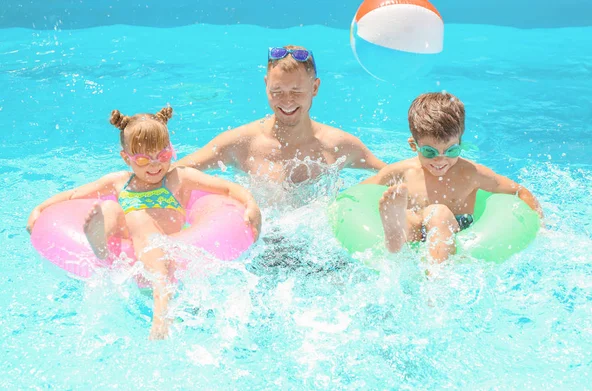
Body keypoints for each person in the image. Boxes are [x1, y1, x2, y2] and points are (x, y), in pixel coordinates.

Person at [26, 107, 262, 340]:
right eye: (142, 159)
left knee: (138, 218)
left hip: (164, 252)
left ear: (171, 150)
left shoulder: (178, 179)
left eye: (162, 155)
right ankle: (100, 246)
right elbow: (73, 195)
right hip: (128, 250)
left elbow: (228, 188)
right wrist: (39, 209)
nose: (154, 165)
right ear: (125, 157)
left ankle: (161, 312)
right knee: (110, 208)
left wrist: (251, 203)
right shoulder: (119, 182)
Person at [362, 92, 543, 263]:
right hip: (417, 230)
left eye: (451, 150)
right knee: (410, 217)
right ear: (413, 145)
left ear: (460, 144)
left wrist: (542, 226)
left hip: (455, 227)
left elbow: (519, 191)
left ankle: (430, 272)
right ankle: (396, 231)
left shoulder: (471, 173)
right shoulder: (402, 172)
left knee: (437, 213)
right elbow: (361, 192)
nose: (441, 160)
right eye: (429, 151)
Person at [176, 45, 385, 188]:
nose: (286, 101)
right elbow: (174, 171)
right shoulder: (240, 143)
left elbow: (394, 174)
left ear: (315, 88)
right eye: (277, 91)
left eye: (296, 92)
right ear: (266, 84)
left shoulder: (340, 146)